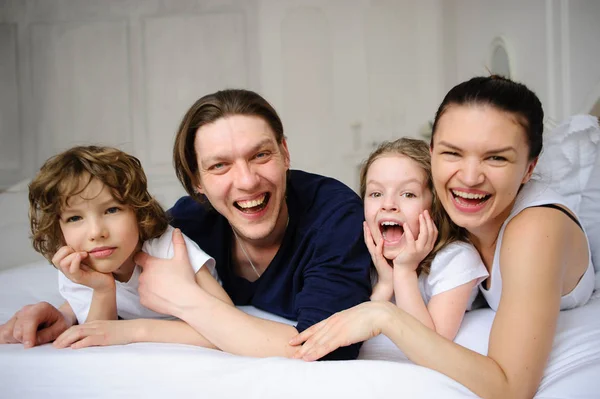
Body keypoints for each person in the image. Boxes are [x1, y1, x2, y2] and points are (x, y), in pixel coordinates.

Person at [0, 90, 372, 360]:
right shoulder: (189, 222)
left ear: (285, 153)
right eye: (219, 165)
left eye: (260, 155)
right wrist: (63, 313)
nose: (246, 181)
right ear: (197, 181)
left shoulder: (333, 217)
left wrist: (178, 307)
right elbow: (123, 263)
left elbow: (323, 351)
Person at [290, 76, 596, 397]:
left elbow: (511, 388)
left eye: (496, 158)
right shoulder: (440, 209)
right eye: (452, 153)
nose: (469, 177)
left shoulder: (536, 229)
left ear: (530, 168)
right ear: (432, 152)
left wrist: (383, 315)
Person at [4, 146, 232, 349]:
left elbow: (229, 326)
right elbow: (98, 335)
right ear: (59, 227)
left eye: (111, 210)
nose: (96, 232)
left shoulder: (168, 247)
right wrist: (103, 289)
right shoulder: (77, 267)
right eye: (74, 218)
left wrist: (136, 331)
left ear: (138, 211)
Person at [362, 138, 488, 340]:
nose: (388, 204)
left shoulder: (457, 259)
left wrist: (404, 272)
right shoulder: (365, 256)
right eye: (376, 193)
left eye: (408, 194)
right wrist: (385, 284)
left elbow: (430, 343)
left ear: (435, 205)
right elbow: (354, 327)